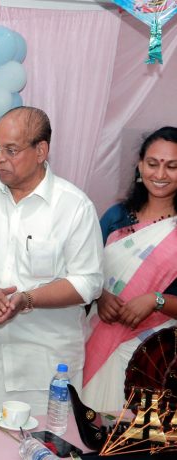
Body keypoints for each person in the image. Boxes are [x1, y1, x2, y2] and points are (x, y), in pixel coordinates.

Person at [0, 106, 103, 418]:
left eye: (11, 150)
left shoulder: (73, 206)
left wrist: (26, 299)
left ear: (41, 151)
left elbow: (88, 283)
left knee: (44, 443)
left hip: (46, 370)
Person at [82, 126, 177, 412]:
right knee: (88, 424)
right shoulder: (116, 217)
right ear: (140, 165)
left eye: (172, 166)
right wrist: (100, 295)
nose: (160, 174)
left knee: (134, 432)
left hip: (154, 355)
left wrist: (156, 300)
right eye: (153, 164)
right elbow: (83, 271)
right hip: (97, 336)